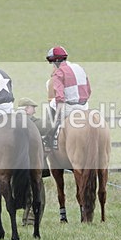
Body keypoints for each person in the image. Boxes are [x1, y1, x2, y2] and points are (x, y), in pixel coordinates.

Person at [43, 46, 91, 151]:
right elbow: (89, 90)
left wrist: (58, 117)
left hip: (69, 108)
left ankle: (48, 137)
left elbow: (60, 97)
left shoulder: (58, 72)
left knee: (51, 105)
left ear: (55, 61)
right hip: (84, 106)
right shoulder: (79, 68)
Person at [16, 97, 47, 226]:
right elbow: (49, 126)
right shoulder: (32, 122)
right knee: (39, 195)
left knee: (27, 194)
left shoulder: (10, 121)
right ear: (27, 109)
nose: (34, 111)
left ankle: (26, 220)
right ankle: (31, 221)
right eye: (33, 108)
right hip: (31, 164)